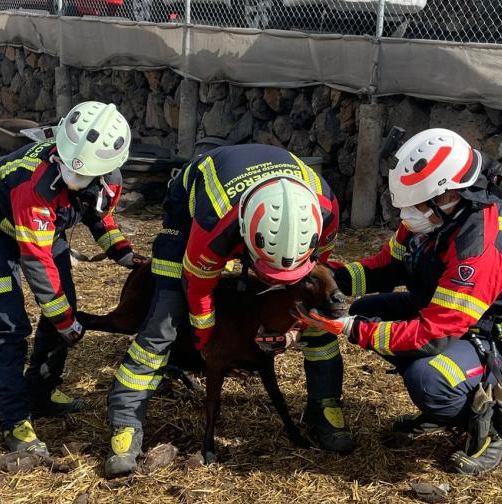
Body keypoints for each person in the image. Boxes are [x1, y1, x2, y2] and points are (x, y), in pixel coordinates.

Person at [294, 128, 502, 475]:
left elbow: (435, 335)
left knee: (429, 377)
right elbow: (386, 267)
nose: (406, 216)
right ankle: (447, 407)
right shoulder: (434, 220)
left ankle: (494, 422)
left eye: (415, 206)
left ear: (450, 196)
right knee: (366, 309)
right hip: (458, 320)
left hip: (501, 344)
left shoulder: (480, 249)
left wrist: (352, 330)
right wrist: (327, 278)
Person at [104, 143, 351, 477]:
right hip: (194, 205)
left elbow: (314, 281)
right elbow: (200, 290)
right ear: (246, 241)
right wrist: (207, 342)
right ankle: (127, 425)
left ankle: (325, 407)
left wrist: (296, 330)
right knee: (163, 319)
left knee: (319, 322)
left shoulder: (326, 211)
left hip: (265, 215)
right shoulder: (212, 226)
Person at [0, 101, 147, 456]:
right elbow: (36, 260)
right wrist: (65, 321)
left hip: (45, 229)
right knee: (10, 324)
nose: (74, 178)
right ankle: (14, 418)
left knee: (62, 303)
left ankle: (41, 389)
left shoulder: (109, 179)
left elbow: (98, 215)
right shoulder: (36, 184)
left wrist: (123, 252)